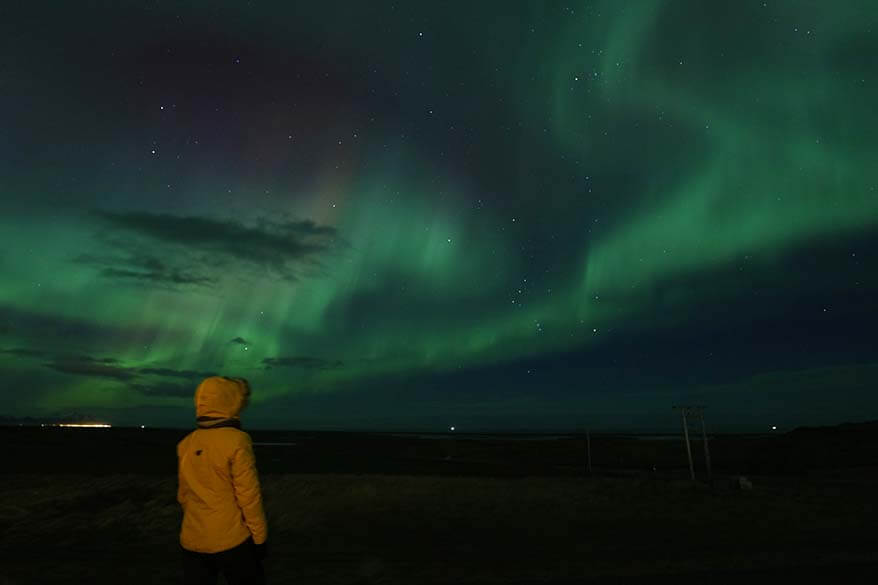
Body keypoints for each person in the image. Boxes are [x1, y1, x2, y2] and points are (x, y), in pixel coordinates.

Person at [177, 376, 268, 584]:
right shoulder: (237, 440)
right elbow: (249, 496)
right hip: (231, 541)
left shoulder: (186, 444)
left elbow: (183, 496)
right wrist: (259, 538)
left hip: (192, 540)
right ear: (229, 402)